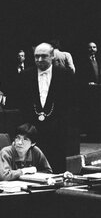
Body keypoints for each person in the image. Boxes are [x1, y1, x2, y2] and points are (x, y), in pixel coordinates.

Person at [14, 42, 77, 172]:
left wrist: (62, 124)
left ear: (52, 55)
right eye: (36, 56)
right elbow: (20, 102)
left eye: (43, 56)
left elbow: (71, 103)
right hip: (31, 129)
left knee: (56, 166)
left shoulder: (65, 75)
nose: (39, 60)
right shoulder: (25, 76)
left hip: (57, 129)